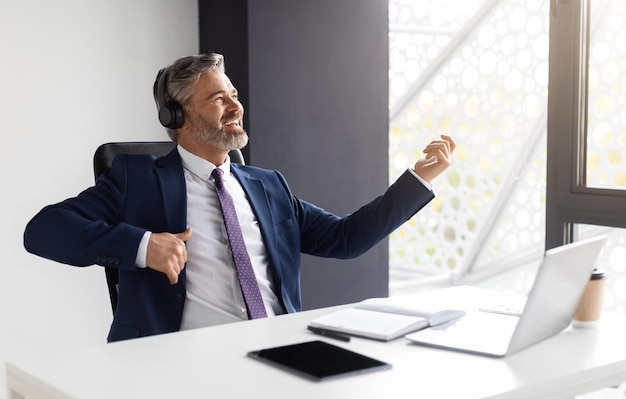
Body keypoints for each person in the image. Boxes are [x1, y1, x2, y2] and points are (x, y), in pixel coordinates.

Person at [24, 53, 456, 342]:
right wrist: (141, 246)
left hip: (277, 353)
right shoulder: (136, 180)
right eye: (217, 98)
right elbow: (43, 231)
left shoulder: (268, 186)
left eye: (233, 95)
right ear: (176, 117)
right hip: (180, 364)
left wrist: (417, 180)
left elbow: (346, 239)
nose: (235, 106)